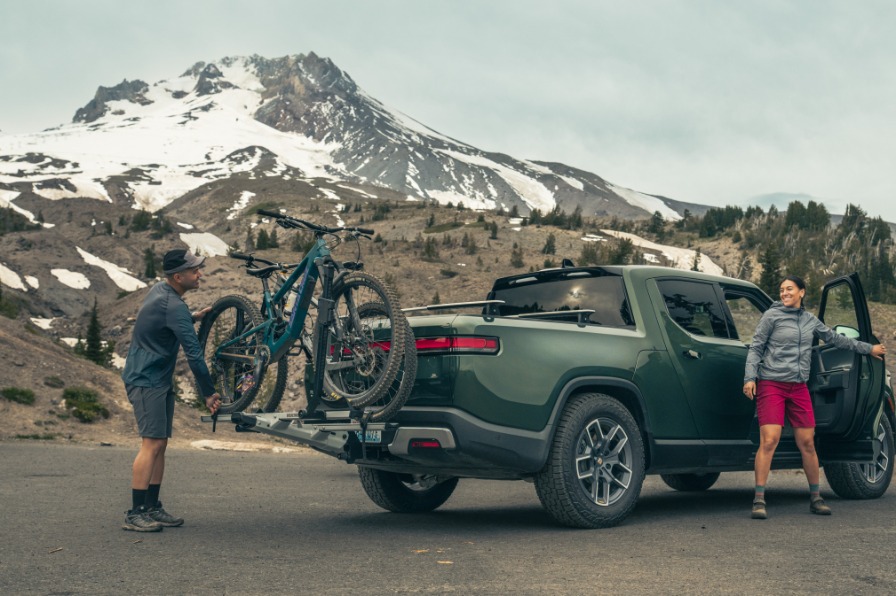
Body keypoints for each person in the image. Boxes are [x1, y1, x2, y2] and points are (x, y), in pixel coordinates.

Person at [743, 275, 886, 520]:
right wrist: (750, 378)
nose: (784, 293)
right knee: (769, 440)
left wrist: (868, 348)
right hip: (772, 384)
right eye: (782, 289)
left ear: (802, 292)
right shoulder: (771, 316)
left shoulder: (810, 320)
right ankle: (759, 499)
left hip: (798, 387)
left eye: (789, 289)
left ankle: (816, 498)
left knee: (808, 443)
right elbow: (756, 347)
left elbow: (836, 339)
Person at [120, 248, 222, 532]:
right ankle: (135, 513)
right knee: (151, 444)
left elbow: (162, 320)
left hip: (156, 378)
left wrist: (191, 318)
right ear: (178, 276)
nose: (199, 274)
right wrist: (208, 393)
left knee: (160, 444)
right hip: (145, 379)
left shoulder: (162, 292)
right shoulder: (174, 306)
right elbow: (195, 356)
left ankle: (152, 506)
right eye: (194, 270)